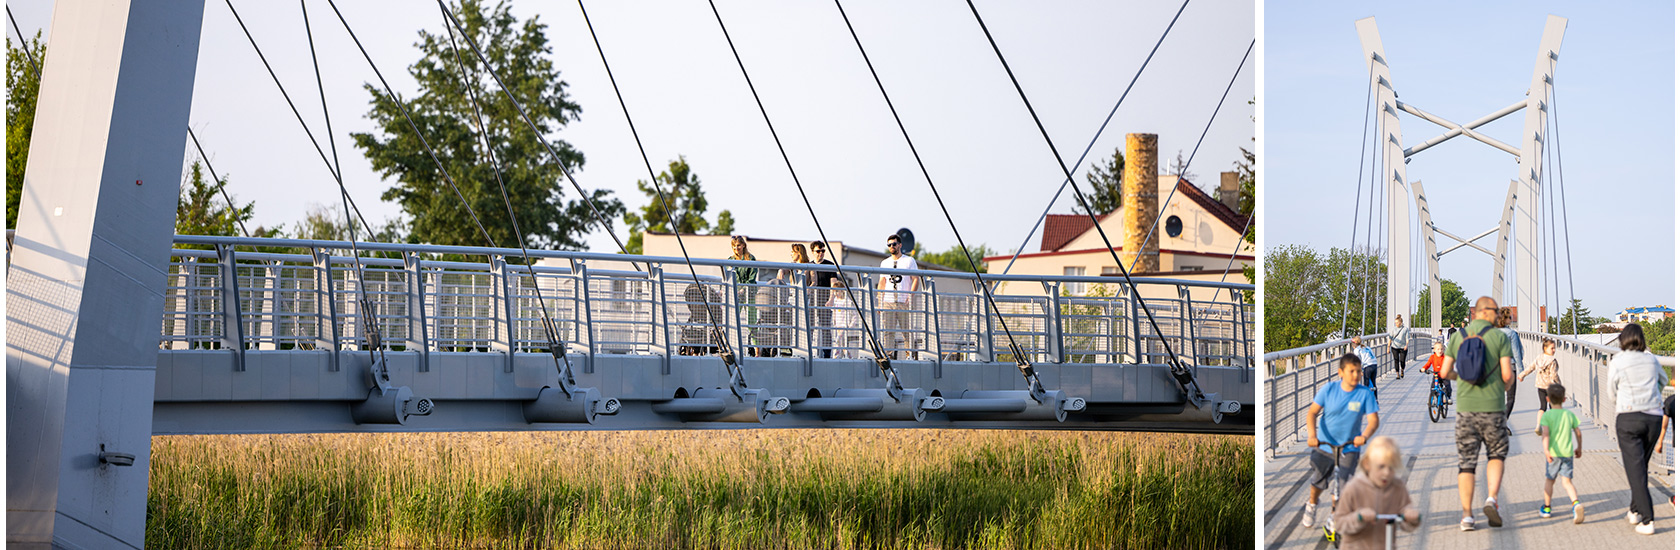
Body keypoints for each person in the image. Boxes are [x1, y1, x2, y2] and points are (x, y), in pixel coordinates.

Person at [1439, 296, 1514, 531]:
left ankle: (1467, 517)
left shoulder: (1458, 337)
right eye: (1495, 311)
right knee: (1496, 454)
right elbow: (1506, 376)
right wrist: (1503, 387)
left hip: (1465, 410)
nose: (1497, 315)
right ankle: (1491, 498)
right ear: (1485, 312)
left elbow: (1444, 371)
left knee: (1466, 463)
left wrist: (1461, 378)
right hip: (1492, 408)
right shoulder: (1500, 337)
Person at [1300, 353, 1381, 529]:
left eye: (1359, 371)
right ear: (1340, 372)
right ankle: (1312, 504)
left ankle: (1334, 515)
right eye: (1352, 371)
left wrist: (1364, 436)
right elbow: (1312, 413)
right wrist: (1312, 436)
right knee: (1319, 480)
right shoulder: (1329, 390)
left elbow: (1374, 420)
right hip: (1324, 445)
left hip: (1349, 447)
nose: (1356, 375)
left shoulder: (1364, 393)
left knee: (1343, 485)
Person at [1607, 323, 1668, 535]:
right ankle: (1634, 510)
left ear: (1623, 339)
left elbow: (1611, 392)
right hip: (1653, 418)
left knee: (1635, 470)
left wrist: (1621, 403)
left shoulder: (1618, 361)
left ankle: (1648, 519)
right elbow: (1664, 380)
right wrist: (1653, 395)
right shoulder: (1651, 358)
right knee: (1639, 467)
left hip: (1629, 417)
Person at [1331, 436, 1420, 550]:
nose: (1386, 473)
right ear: (1368, 464)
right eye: (1381, 467)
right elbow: (1340, 523)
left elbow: (1404, 512)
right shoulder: (1354, 488)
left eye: (1391, 468)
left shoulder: (1398, 487)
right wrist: (1358, 517)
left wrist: (1410, 517)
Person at [1536, 383, 1585, 524]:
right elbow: (1578, 432)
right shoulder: (1569, 414)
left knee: (1550, 480)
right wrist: (1579, 447)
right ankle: (1576, 503)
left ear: (1547, 399)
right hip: (1567, 452)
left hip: (1553, 453)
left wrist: (1546, 450)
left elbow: (1545, 434)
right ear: (1564, 399)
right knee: (1567, 482)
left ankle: (1546, 508)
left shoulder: (1547, 416)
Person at [876, 234, 920, 359]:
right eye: (889, 245)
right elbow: (882, 282)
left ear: (900, 245)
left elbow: (915, 279)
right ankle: (888, 355)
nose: (892, 247)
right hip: (888, 301)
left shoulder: (909, 261)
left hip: (903, 301)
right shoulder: (885, 263)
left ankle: (909, 355)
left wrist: (910, 296)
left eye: (894, 244)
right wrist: (880, 300)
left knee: (907, 331)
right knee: (888, 331)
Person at [1518, 339, 1562, 434]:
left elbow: (1531, 367)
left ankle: (1538, 425)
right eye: (1552, 348)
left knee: (1542, 406)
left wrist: (1522, 375)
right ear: (1545, 348)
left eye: (1554, 348)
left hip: (1540, 386)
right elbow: (1554, 375)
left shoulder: (1539, 358)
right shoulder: (1552, 361)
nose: (1554, 350)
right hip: (1550, 387)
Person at [729, 236, 763, 356]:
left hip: (750, 294)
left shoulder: (750, 258)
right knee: (732, 321)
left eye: (738, 245)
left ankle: (757, 350)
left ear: (743, 245)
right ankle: (733, 349)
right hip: (736, 295)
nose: (736, 248)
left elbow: (752, 278)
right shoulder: (730, 259)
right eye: (734, 246)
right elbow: (730, 276)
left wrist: (743, 288)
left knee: (751, 323)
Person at [809, 241, 838, 358]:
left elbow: (833, 283)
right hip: (812, 300)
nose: (820, 253)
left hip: (824, 299)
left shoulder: (829, 265)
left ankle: (827, 352)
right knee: (810, 326)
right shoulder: (808, 265)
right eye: (818, 251)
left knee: (825, 327)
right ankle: (809, 349)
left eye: (823, 251)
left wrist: (831, 299)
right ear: (813, 252)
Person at [1498, 309, 1524, 434]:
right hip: (1509, 367)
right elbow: (1517, 353)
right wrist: (1522, 370)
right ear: (1505, 319)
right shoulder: (1511, 334)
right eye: (1509, 317)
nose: (1511, 319)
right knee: (1510, 398)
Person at [828, 277, 860, 358]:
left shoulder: (847, 301)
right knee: (842, 342)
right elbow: (834, 311)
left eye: (837, 291)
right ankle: (847, 355)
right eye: (834, 292)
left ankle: (837, 355)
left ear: (842, 291)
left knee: (838, 340)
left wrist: (851, 325)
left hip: (844, 325)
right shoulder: (835, 300)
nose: (836, 294)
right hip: (837, 325)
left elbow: (854, 314)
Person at [1420, 340, 1452, 404]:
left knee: (1447, 386)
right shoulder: (1432, 357)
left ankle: (1448, 397)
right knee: (1433, 387)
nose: (1440, 351)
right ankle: (1433, 398)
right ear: (1434, 350)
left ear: (1444, 349)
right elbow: (1428, 364)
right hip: (1436, 375)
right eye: (1438, 349)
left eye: (1441, 349)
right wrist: (1424, 368)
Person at [1353, 335, 1379, 400]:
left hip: (1367, 366)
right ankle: (1375, 399)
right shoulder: (1366, 347)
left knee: (1366, 383)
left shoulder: (1357, 350)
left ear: (1354, 343)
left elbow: (1357, 361)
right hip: (1374, 364)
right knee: (1373, 382)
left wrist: (1360, 370)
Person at [1389, 314, 1410, 379]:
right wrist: (1388, 347)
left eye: (1397, 323)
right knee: (1396, 360)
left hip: (1403, 347)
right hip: (1394, 347)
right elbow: (1390, 338)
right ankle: (1397, 374)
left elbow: (1407, 338)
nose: (1396, 324)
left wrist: (1406, 345)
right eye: (1395, 323)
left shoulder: (1405, 329)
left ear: (1401, 322)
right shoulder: (1393, 329)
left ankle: (1402, 369)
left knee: (1402, 360)